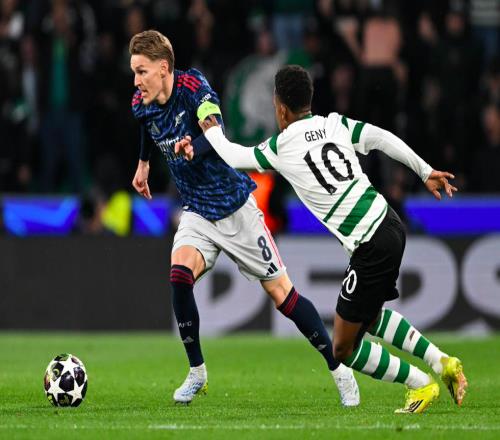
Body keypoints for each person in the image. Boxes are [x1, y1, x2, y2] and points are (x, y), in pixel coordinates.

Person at [176, 65, 468, 414]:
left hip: (369, 243)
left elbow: (234, 156)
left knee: (343, 348)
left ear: (280, 108)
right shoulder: (335, 124)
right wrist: (424, 170)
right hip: (390, 223)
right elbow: (382, 138)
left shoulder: (281, 146)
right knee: (370, 317)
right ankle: (441, 361)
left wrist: (209, 127)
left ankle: (420, 383)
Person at [128, 31, 359, 406]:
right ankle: (197, 372)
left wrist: (195, 146)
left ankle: (340, 370)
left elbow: (216, 130)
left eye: (142, 71)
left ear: (164, 68)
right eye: (134, 72)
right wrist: (143, 164)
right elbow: (145, 124)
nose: (136, 81)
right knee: (179, 277)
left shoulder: (194, 87)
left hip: (235, 208)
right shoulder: (142, 101)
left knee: (283, 296)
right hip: (197, 210)